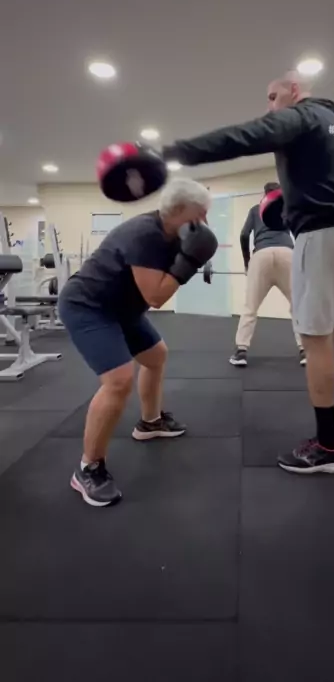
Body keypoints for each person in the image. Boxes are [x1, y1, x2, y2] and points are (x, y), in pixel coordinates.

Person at [163, 72, 334, 475]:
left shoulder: (303, 116)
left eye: (273, 96)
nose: (270, 106)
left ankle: (328, 446)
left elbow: (245, 136)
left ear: (294, 90)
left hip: (321, 237)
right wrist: (291, 205)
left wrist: (172, 152)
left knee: (315, 338)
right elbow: (331, 187)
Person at [58, 178, 217, 506]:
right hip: (89, 306)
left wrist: (193, 257)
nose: (204, 221)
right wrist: (190, 263)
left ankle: (150, 421)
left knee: (156, 356)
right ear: (178, 210)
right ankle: (88, 468)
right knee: (118, 381)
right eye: (200, 213)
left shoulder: (177, 233)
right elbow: (156, 297)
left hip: (123, 309)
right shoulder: (144, 235)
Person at [230, 181, 304, 367]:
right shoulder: (287, 208)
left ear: (264, 194)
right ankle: (305, 350)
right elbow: (300, 232)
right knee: (298, 306)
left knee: (250, 307)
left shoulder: (256, 209)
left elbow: (244, 235)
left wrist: (247, 262)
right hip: (287, 254)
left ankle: (241, 352)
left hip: (261, 255)